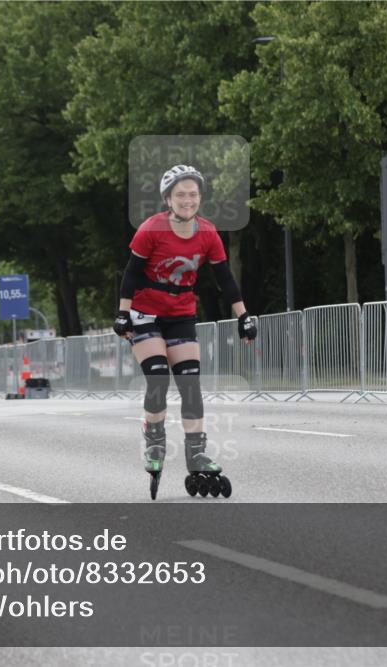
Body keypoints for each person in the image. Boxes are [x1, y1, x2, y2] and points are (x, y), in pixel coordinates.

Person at [113, 165, 257, 500]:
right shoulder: (151, 229)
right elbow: (131, 275)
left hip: (180, 316)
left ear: (200, 197)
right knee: (159, 380)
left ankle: (196, 454)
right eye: (181, 194)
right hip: (145, 314)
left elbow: (225, 281)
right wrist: (122, 314)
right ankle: (154, 441)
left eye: (193, 194)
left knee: (191, 386)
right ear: (168, 199)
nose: (188, 200)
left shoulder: (208, 233)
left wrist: (244, 316)